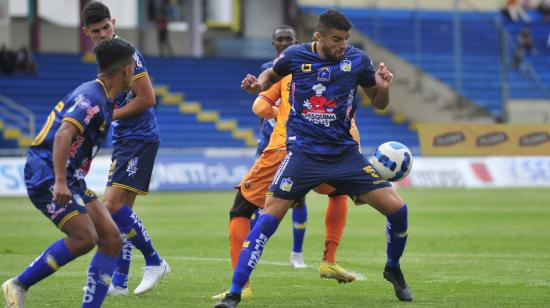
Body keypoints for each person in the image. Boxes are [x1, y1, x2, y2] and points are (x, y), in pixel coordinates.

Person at [215, 9, 412, 307]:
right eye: (336, 39)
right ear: (318, 37)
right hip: (303, 154)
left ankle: (393, 267)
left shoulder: (357, 60)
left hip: (345, 156)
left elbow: (380, 103)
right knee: (267, 220)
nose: (342, 45)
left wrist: (384, 90)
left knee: (398, 210)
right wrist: (259, 84)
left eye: (345, 39)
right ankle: (234, 292)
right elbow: (271, 74)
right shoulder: (295, 55)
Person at [212, 24, 358, 302]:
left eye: (287, 40)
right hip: (329, 149)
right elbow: (348, 116)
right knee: (337, 192)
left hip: (284, 147)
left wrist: (282, 113)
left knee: (242, 210)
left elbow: (258, 107)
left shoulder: (285, 67)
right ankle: (328, 258)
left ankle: (241, 285)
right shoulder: (342, 69)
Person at [1, 38, 135, 308]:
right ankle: (18, 284)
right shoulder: (93, 98)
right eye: (133, 65)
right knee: (85, 237)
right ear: (125, 69)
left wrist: (68, 178)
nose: (135, 70)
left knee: (111, 239)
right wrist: (60, 181)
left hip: (70, 175)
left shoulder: (104, 99)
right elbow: (64, 133)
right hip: (47, 171)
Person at [82, 1, 169, 297]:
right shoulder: (105, 57)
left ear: (114, 22)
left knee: (112, 207)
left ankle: (155, 261)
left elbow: (147, 98)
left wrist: (108, 116)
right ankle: (119, 281)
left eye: (107, 27)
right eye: (97, 30)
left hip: (139, 137)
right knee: (122, 211)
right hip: (126, 138)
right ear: (87, 33)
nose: (104, 34)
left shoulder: (126, 52)